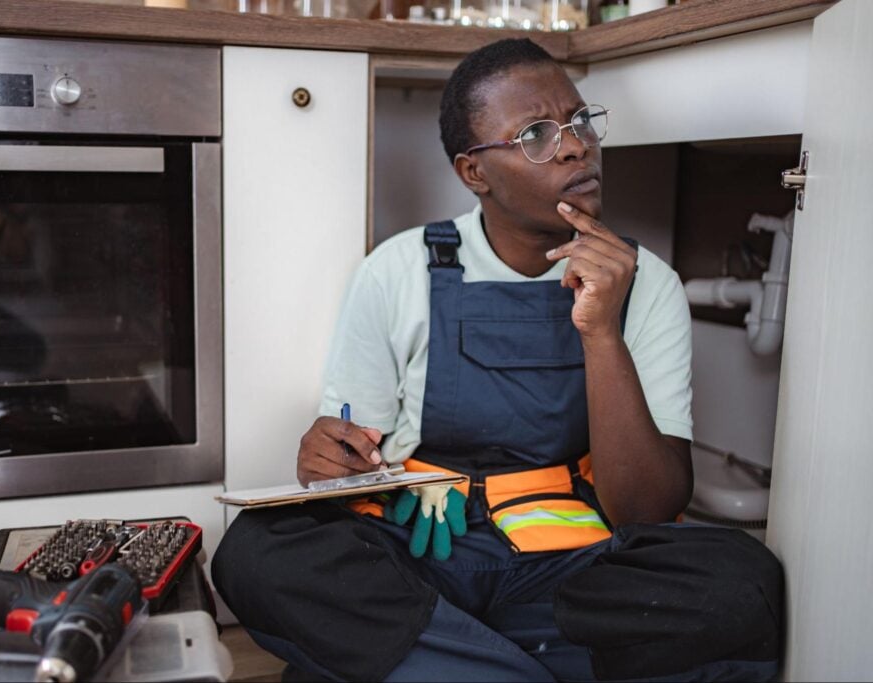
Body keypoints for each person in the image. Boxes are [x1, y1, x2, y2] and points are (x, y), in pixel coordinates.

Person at [212, 39, 782, 682]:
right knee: (259, 550)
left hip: (570, 565)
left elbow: (646, 510)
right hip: (421, 552)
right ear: (474, 172)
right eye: (536, 133)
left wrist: (600, 330)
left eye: (579, 122)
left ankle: (438, 657)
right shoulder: (398, 269)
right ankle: (519, 663)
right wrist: (330, 462)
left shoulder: (646, 281)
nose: (574, 146)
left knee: (743, 581)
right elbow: (354, 455)